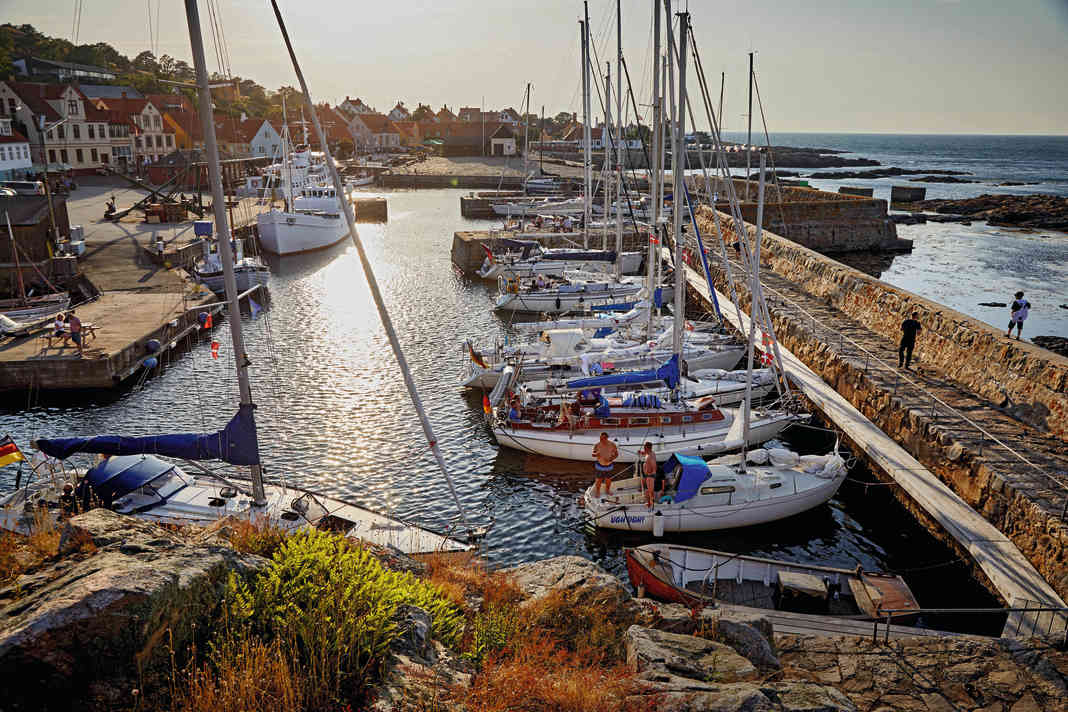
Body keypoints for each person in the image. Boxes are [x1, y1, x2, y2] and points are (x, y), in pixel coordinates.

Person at [592, 432, 619, 499]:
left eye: (602, 438)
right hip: (600, 465)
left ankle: (607, 490)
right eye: (600, 438)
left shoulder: (612, 445)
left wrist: (611, 459)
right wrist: (596, 454)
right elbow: (593, 454)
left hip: (609, 465)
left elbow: (616, 454)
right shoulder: (597, 445)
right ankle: (597, 491)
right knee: (599, 479)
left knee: (608, 479)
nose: (601, 439)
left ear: (606, 438)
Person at [640, 441, 659, 508]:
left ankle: (651, 505)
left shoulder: (651, 455)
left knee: (650, 491)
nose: (644, 449)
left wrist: (652, 472)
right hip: (647, 475)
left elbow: (654, 465)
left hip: (650, 475)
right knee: (647, 490)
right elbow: (645, 453)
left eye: (645, 448)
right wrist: (641, 452)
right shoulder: (648, 453)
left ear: (648, 448)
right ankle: (649, 503)